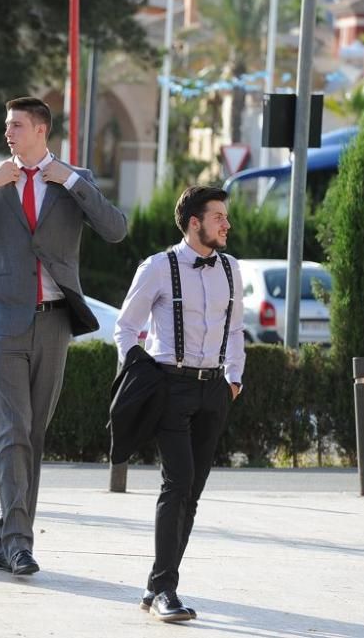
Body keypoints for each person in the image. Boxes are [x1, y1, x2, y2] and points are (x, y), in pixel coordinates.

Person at [0, 96, 128, 575]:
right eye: (6, 125)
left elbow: (116, 230)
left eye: (16, 125)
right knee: (12, 430)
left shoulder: (73, 179)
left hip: (55, 320)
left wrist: (75, 183)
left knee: (33, 434)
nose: (8, 133)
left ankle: (7, 540)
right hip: (2, 321)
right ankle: (21, 541)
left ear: (41, 130)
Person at [113, 185, 246, 621]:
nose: (226, 224)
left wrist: (233, 380)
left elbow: (236, 329)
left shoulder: (231, 268)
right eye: (218, 217)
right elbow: (125, 327)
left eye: (225, 217)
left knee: (192, 492)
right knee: (177, 483)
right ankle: (165, 589)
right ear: (194, 223)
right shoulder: (157, 267)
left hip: (214, 391)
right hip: (171, 387)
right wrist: (144, 374)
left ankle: (158, 588)